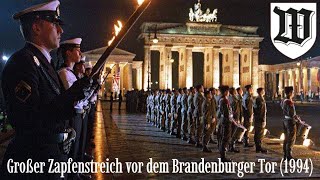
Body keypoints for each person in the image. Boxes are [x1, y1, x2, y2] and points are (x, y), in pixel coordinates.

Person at [0, 1, 91, 178]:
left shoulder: (43, 63)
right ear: (36, 27)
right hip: (35, 161)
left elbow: (52, 104)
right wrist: (74, 93)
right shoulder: (23, 62)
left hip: (50, 157)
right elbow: (31, 117)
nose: (60, 31)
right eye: (55, 24)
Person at [281, 86, 303, 160]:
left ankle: (285, 154)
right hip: (290, 122)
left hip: (285, 120)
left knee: (286, 138)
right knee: (291, 139)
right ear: (290, 93)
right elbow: (292, 114)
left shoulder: (284, 101)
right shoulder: (289, 102)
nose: (293, 93)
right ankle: (289, 155)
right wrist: (298, 119)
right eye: (292, 92)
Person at [217, 85, 233, 162]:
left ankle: (223, 154)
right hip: (226, 121)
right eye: (228, 91)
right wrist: (231, 118)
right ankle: (223, 156)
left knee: (224, 137)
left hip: (224, 120)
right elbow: (227, 112)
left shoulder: (222, 99)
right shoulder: (224, 100)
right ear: (226, 92)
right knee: (225, 137)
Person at [254, 88, 268, 153]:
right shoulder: (260, 99)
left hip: (257, 119)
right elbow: (261, 111)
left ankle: (258, 146)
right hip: (260, 119)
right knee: (260, 133)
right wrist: (263, 120)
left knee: (258, 133)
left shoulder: (258, 98)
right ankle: (259, 147)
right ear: (261, 92)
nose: (264, 91)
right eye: (263, 90)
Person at [228, 87, 240, 153]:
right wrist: (236, 119)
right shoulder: (234, 99)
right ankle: (231, 146)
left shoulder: (230, 98)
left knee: (232, 132)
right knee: (233, 133)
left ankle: (231, 145)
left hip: (232, 118)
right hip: (234, 118)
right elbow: (235, 111)